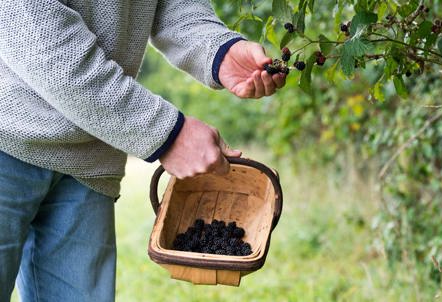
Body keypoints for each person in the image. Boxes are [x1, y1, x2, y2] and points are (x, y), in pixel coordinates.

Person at [0, 0, 286, 301]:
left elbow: (170, 5)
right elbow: (41, 42)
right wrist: (167, 133)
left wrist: (219, 51)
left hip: (89, 162)